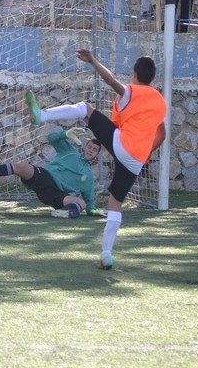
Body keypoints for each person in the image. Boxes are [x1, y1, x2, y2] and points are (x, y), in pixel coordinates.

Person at [25, 50, 167, 270]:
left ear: (134, 75)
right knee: (115, 205)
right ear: (153, 78)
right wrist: (147, 153)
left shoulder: (132, 92)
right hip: (136, 160)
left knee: (85, 109)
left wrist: (92, 60)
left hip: (122, 144)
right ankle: (106, 254)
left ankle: (40, 116)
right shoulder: (160, 103)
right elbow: (162, 135)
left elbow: (111, 81)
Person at [0, 132, 102, 218]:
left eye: (94, 150)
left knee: (81, 203)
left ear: (96, 154)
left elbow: (89, 201)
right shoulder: (70, 151)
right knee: (21, 167)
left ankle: (64, 213)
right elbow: (51, 137)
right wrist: (65, 134)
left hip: (56, 194)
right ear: (85, 147)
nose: (91, 150)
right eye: (89, 147)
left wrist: (92, 211)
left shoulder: (88, 177)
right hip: (45, 176)